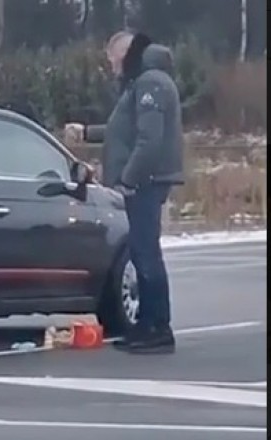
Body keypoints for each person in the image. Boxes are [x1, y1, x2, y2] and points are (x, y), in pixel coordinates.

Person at [66, 31, 184, 354]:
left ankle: (156, 326)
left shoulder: (150, 82)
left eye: (111, 58)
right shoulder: (141, 81)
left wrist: (129, 178)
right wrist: (88, 132)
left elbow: (149, 140)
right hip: (145, 180)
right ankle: (149, 324)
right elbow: (125, 130)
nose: (111, 66)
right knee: (142, 250)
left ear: (124, 51)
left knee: (145, 252)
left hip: (147, 181)